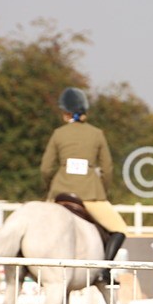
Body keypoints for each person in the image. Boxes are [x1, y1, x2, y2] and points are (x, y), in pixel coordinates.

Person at [41, 87, 127, 282]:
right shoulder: (97, 134)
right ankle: (104, 271)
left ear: (66, 113)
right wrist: (102, 191)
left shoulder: (58, 134)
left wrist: (50, 190)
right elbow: (108, 169)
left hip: (59, 191)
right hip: (90, 194)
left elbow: (46, 168)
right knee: (119, 229)